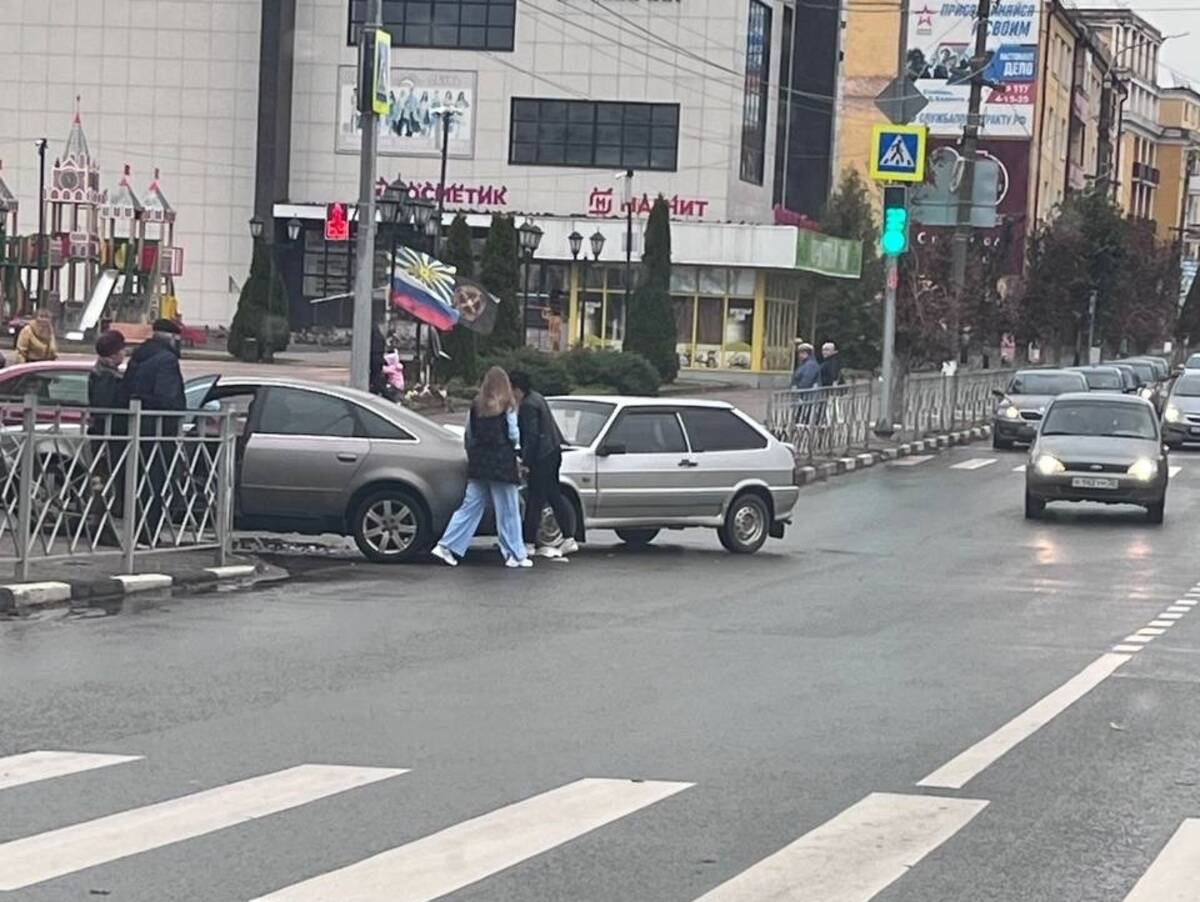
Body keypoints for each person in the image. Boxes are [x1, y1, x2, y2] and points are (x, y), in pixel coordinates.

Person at [432, 367, 531, 569]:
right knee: (508, 509)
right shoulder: (508, 405)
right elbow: (513, 435)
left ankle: (447, 546)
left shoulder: (476, 405)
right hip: (502, 461)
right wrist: (518, 453)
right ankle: (515, 554)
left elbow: (470, 433)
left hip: (479, 461)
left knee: (470, 507)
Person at [120, 319, 186, 539]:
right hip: (158, 430)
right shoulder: (167, 361)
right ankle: (148, 533)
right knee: (155, 482)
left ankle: (136, 531)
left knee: (138, 481)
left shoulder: (139, 357)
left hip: (136, 427)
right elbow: (167, 397)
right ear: (171, 338)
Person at [511, 370, 578, 559]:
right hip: (552, 452)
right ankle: (568, 538)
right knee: (553, 495)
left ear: (517, 389)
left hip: (541, 457)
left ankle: (528, 542)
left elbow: (531, 437)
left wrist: (526, 462)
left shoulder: (528, 406)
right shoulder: (537, 398)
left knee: (535, 499)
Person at [87, 330, 128, 525]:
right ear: (113, 353)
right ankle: (99, 519)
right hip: (106, 436)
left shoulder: (105, 372)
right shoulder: (106, 376)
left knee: (103, 477)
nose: (124, 353)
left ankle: (101, 517)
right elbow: (104, 406)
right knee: (102, 478)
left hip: (105, 435)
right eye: (122, 350)